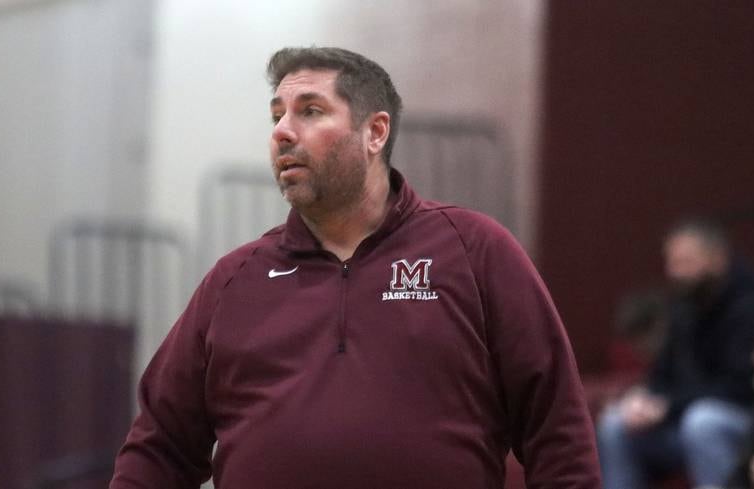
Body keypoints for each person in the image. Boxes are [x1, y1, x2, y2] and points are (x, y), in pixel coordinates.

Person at [109, 46, 601, 489]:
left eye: (310, 111)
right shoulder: (235, 280)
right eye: (277, 115)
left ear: (375, 132)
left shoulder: (474, 250)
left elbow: (557, 432)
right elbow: (161, 446)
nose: (282, 131)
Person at [598, 218, 754, 488]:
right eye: (672, 262)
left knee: (703, 422)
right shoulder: (682, 306)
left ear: (717, 259)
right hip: (680, 417)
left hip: (734, 421)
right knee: (617, 424)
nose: (675, 271)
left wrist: (669, 405)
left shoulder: (748, 307)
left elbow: (739, 387)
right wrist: (645, 401)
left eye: (685, 261)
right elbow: (661, 374)